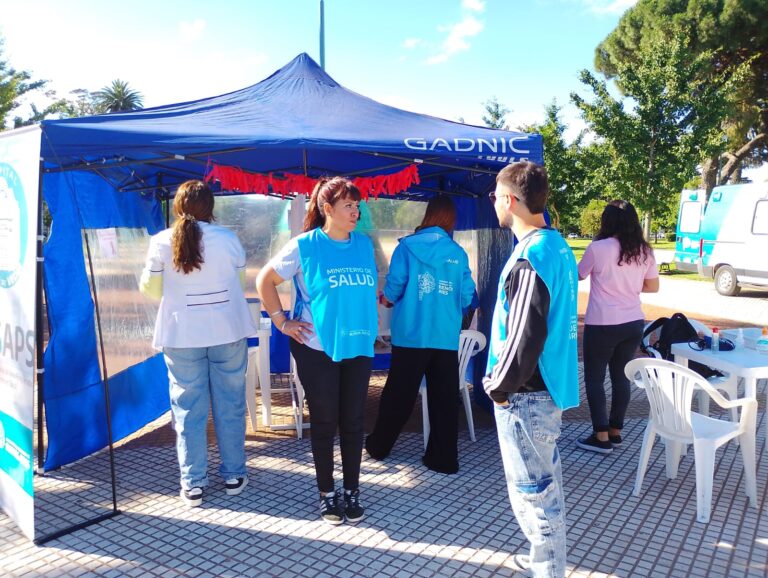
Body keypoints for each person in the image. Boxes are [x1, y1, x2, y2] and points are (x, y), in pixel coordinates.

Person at [256, 177, 377, 525]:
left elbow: (365, 291)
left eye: (357, 206)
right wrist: (282, 322)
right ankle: (327, 493)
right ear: (327, 209)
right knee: (325, 421)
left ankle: (352, 490)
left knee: (354, 421)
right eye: (348, 206)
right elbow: (265, 280)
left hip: (357, 344)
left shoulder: (364, 244)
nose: (355, 212)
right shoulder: (305, 246)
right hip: (316, 347)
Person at [483, 161, 578, 578]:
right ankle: (544, 560)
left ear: (509, 200)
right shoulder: (557, 245)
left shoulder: (530, 255)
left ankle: (549, 569)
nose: (493, 203)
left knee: (535, 496)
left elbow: (525, 334)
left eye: (495, 196)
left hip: (527, 394)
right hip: (546, 387)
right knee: (543, 488)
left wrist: (499, 387)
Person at [139, 180, 256, 508]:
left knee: (188, 408)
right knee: (230, 404)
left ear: (178, 206)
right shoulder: (228, 239)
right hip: (227, 331)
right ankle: (234, 475)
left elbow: (151, 289)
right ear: (210, 207)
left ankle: (193, 483)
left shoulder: (160, 241)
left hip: (181, 334)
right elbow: (239, 283)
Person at [365, 195, 476, 474]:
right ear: (450, 219)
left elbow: (394, 286)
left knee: (399, 394)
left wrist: (388, 299)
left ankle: (379, 446)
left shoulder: (406, 247)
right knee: (444, 399)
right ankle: (444, 458)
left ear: (428, 214)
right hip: (445, 336)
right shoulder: (457, 253)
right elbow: (467, 295)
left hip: (410, 335)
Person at [576, 200, 659, 454]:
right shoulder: (644, 250)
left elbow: (579, 274)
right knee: (621, 377)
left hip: (602, 322)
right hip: (633, 322)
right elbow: (653, 286)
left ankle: (600, 436)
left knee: (594, 378)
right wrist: (630, 284)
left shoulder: (597, 248)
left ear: (606, 221)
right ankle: (615, 431)